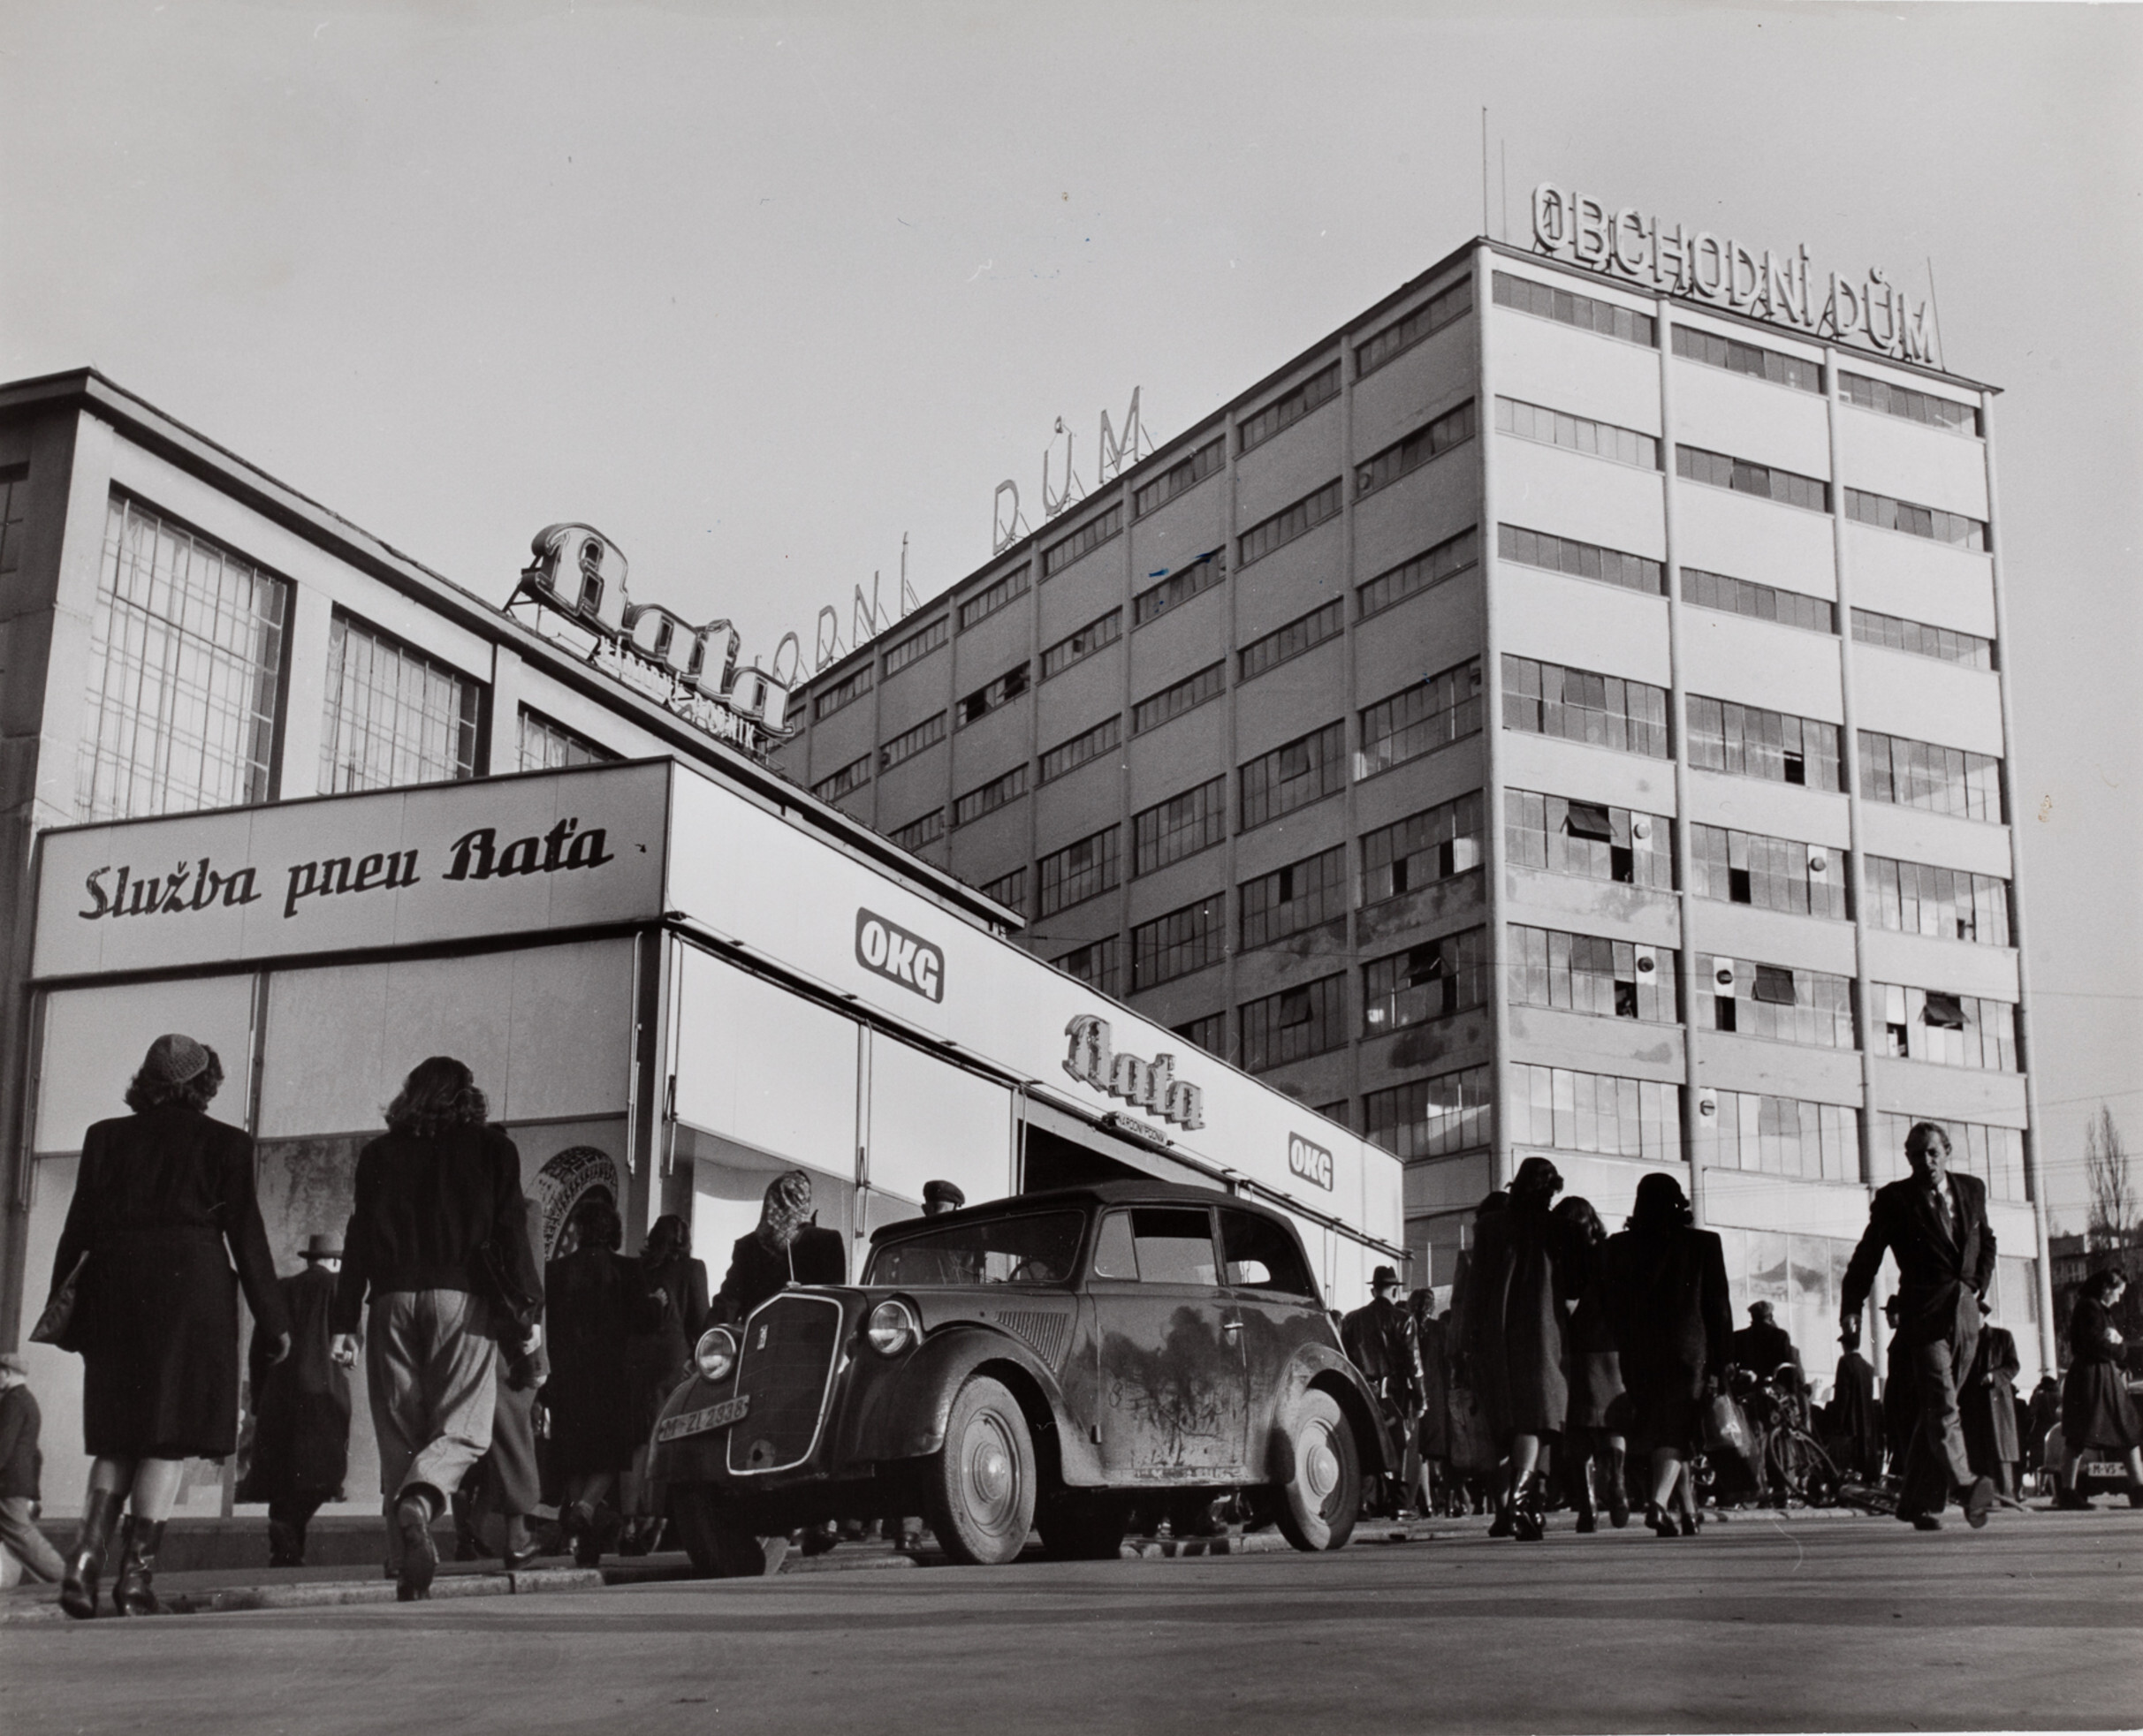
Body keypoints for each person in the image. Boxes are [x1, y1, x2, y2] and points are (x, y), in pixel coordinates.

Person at [49, 1034, 291, 1618]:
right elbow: (247, 1237)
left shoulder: (105, 1136)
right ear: (206, 1082)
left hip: (117, 1288)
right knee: (168, 1435)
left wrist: (67, 1311)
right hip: (192, 1291)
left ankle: (83, 1563)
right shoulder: (226, 1143)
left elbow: (76, 1230)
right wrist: (273, 1318)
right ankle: (134, 1582)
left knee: (117, 1436)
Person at [331, 1056, 542, 1601]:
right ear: (468, 1095)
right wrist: (528, 1312)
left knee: (399, 1434)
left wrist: (343, 1319)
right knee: (465, 1426)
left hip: (390, 1300)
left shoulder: (378, 1154)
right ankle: (420, 1505)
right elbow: (511, 1233)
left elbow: (358, 1238)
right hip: (461, 1301)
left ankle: (402, 1561)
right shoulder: (494, 1150)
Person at [1841, 1121, 1999, 1532]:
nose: (1924, 1161)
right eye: (1915, 1155)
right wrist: (1851, 1305)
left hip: (1965, 1315)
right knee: (1942, 1402)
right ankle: (1965, 1486)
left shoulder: (1973, 1189)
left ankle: (1915, 1503)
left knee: (1940, 1409)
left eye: (1931, 1152)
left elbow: (1987, 1240)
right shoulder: (1896, 1199)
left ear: (1947, 1151)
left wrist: (1975, 1285)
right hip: (1922, 1316)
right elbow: (1867, 1255)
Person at [1599, 1171, 1732, 1539]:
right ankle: (1659, 1504)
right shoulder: (1704, 1243)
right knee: (1678, 1430)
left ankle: (1688, 1512)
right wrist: (1722, 1360)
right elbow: (1718, 1307)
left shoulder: (1619, 1247)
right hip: (1689, 1352)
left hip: (1637, 1352)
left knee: (1665, 1431)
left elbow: (1611, 1304)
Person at [543, 1196, 664, 1566]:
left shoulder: (556, 1271)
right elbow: (643, 1322)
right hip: (612, 1374)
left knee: (577, 1455)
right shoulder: (627, 1269)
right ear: (612, 1230)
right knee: (613, 1452)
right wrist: (658, 1304)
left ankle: (578, 1534)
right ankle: (583, 1509)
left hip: (569, 1375)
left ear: (578, 1229)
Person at [1459, 1157, 1576, 1541]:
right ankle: (1523, 1504)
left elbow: (1476, 1287)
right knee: (1537, 1419)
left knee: (1509, 1423)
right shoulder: (1556, 1226)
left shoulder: (1490, 1226)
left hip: (1497, 1333)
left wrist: (1469, 1336)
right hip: (1543, 1333)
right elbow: (1574, 1283)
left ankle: (1515, 1506)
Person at [238, 1234, 351, 1567]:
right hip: (322, 1389)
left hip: (279, 1389)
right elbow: (345, 1342)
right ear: (334, 1261)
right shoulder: (337, 1287)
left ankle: (286, 1550)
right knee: (326, 1472)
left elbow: (259, 1348)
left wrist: (259, 1396)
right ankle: (288, 1529)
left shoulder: (281, 1288)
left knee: (285, 1471)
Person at [620, 1212, 709, 1552]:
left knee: (637, 1443)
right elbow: (700, 1319)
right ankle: (657, 1520)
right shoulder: (693, 1268)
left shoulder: (637, 1270)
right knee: (665, 1441)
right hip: (673, 1364)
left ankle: (628, 1522)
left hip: (635, 1362)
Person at [1554, 1197, 1629, 1533]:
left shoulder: (1559, 1258)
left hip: (1573, 1350)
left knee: (1578, 1430)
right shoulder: (1610, 1252)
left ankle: (1588, 1509)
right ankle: (1618, 1484)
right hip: (1612, 1346)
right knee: (1613, 1424)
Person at [2052, 1269, 2143, 1508]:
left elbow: (2116, 1349)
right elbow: (2095, 1344)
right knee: (2091, 1435)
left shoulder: (2096, 1309)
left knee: (2122, 1434)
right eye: (2118, 1292)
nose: (2120, 1298)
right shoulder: (2089, 1308)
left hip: (2100, 1377)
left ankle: (2070, 1492)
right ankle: (2070, 1493)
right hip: (2092, 1379)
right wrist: (2115, 1344)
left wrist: (2115, 1343)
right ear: (2107, 1288)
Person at [1341, 1267, 1425, 1518]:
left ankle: (1363, 1503)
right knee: (1402, 1445)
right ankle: (1399, 1503)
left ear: (1372, 1289)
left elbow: (1344, 1357)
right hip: (1396, 1393)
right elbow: (1415, 1363)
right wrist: (1421, 1396)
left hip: (1362, 1389)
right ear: (1396, 1289)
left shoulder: (1352, 1319)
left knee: (1365, 1442)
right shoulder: (1404, 1319)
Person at [714, 1170, 847, 1323]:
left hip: (762, 1339)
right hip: (804, 1339)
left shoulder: (748, 1245)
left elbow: (727, 1304)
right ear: (805, 1202)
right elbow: (835, 1303)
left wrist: (708, 1339)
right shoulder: (827, 1241)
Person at [0, 1354, 66, 1585]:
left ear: (6, 1374)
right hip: (15, 1484)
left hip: (7, 1485)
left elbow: (2, 1447)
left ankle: (68, 1579)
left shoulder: (13, 1401)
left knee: (23, 1536)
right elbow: (35, 1454)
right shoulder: (27, 1400)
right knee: (19, 1535)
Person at [1962, 1320, 2024, 1499]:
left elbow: (2013, 1366)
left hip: (1996, 1402)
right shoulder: (1966, 1338)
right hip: (1973, 1403)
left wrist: (1994, 1376)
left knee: (2000, 1448)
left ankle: (2005, 1494)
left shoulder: (2002, 1336)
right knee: (1977, 1450)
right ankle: (1984, 1496)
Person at [1410, 1288, 1451, 1516]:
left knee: (1420, 1449)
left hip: (1415, 1393)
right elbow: (1448, 1363)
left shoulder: (1408, 1328)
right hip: (1437, 1393)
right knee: (1442, 1450)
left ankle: (1426, 1500)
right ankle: (1447, 1499)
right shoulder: (1440, 1330)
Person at [1824, 1334, 1883, 1482]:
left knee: (1842, 1458)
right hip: (1865, 1420)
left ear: (1845, 1346)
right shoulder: (1868, 1367)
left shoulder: (1844, 1362)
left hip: (1850, 1419)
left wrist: (1837, 1420)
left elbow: (1843, 1395)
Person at [1731, 1301, 1801, 1386]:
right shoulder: (1781, 1335)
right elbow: (1787, 1363)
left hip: (1746, 1386)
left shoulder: (1739, 1336)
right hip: (1772, 1386)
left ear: (1752, 1317)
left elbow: (1731, 1364)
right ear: (1771, 1317)